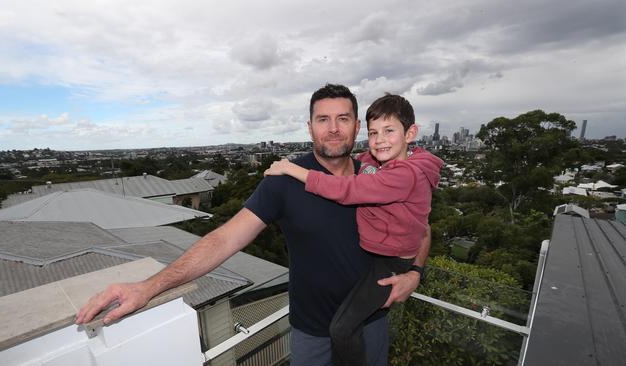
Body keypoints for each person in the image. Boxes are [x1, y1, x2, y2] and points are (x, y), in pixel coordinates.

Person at [75, 84, 431, 366]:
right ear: (310, 128)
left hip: (370, 323)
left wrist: (415, 272)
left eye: (343, 119)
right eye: (323, 119)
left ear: (357, 126)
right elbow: (226, 239)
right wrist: (148, 287)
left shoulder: (377, 174)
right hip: (312, 333)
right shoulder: (284, 182)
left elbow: (421, 227)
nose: (334, 129)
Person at [264, 94, 443, 365]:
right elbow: (365, 163)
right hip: (381, 260)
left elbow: (347, 190)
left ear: (411, 133)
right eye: (373, 133)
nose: (380, 139)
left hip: (390, 263)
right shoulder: (376, 162)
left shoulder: (404, 174)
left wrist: (292, 169)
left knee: (342, 328)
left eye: (389, 131)